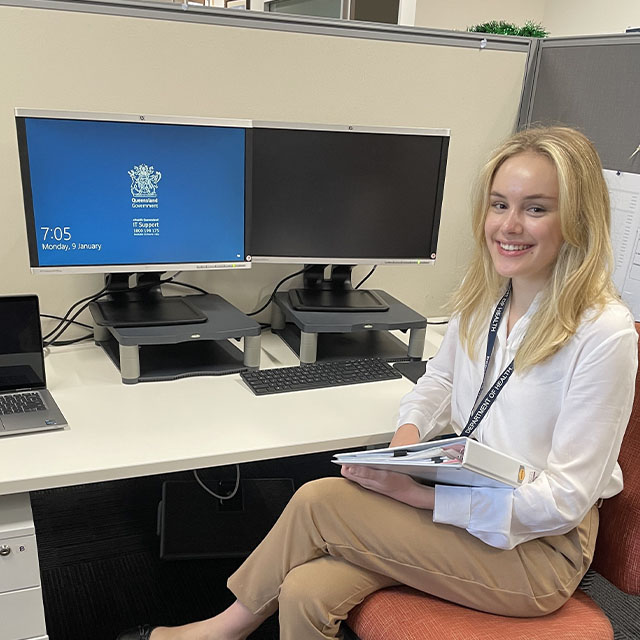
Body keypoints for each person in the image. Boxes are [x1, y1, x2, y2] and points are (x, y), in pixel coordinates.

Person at [117, 126, 638, 640]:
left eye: (536, 208)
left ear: (577, 218)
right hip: (466, 497)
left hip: (536, 550)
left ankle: (217, 633)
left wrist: (417, 498)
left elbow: (565, 501)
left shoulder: (602, 333)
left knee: (320, 501)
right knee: (304, 592)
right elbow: (438, 381)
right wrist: (407, 440)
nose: (509, 225)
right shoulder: (489, 297)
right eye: (499, 204)